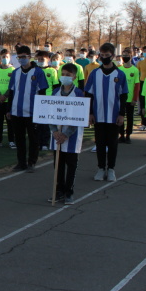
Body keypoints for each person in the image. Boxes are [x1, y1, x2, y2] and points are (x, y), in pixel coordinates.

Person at [85, 42, 127, 182]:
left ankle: (111, 169)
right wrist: (90, 113)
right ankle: (101, 168)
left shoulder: (120, 74)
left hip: (114, 115)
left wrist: (122, 114)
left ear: (113, 56)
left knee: (113, 143)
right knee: (100, 143)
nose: (104, 58)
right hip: (98, 115)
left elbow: (123, 96)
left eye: (107, 55)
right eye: (102, 55)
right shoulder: (94, 73)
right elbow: (89, 94)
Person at [5, 45, 48, 172]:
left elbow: (43, 92)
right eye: (19, 57)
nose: (22, 59)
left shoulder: (38, 72)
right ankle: (21, 162)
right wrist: (9, 109)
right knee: (19, 138)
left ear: (29, 57)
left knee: (33, 139)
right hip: (16, 111)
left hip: (32, 112)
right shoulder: (15, 73)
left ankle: (32, 162)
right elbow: (11, 92)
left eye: (24, 57)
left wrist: (41, 110)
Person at [48, 63, 86, 205]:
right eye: (63, 74)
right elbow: (49, 114)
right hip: (57, 134)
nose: (65, 77)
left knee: (71, 164)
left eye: (68, 75)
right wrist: (55, 131)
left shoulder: (79, 94)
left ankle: (69, 192)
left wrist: (66, 134)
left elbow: (79, 117)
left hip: (72, 136)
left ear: (74, 77)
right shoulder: (55, 92)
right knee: (58, 164)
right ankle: (58, 191)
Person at [0, 49, 16, 149]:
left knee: (10, 122)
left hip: (8, 100)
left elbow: (13, 85)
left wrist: (5, 96)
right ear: (0, 58)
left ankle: (11, 140)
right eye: (3, 57)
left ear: (9, 58)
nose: (5, 59)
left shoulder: (13, 70)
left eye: (7, 57)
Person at [119, 49, 139, 144]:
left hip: (130, 98)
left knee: (130, 117)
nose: (124, 57)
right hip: (121, 98)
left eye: (126, 55)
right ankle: (121, 135)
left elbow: (137, 85)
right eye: (123, 55)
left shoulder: (135, 70)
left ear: (131, 56)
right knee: (120, 116)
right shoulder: (119, 69)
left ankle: (128, 135)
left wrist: (135, 98)